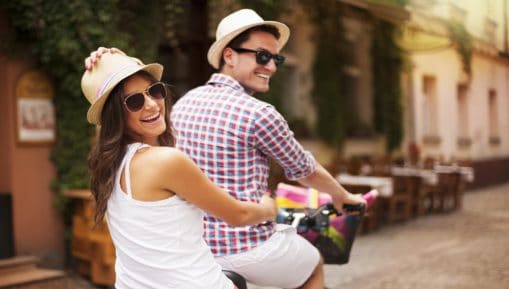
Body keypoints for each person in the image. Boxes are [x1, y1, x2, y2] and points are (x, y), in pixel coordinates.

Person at [171, 9, 367, 289]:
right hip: (244, 245)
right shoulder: (259, 113)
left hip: (194, 245)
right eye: (262, 56)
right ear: (229, 56)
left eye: (276, 58)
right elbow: (304, 169)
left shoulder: (185, 103)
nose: (272, 67)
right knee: (313, 262)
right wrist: (342, 196)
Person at [81, 49, 278, 289]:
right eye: (134, 101)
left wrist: (113, 61)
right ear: (115, 115)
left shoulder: (111, 166)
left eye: (154, 91)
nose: (152, 104)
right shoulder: (167, 162)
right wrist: (269, 208)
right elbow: (240, 215)